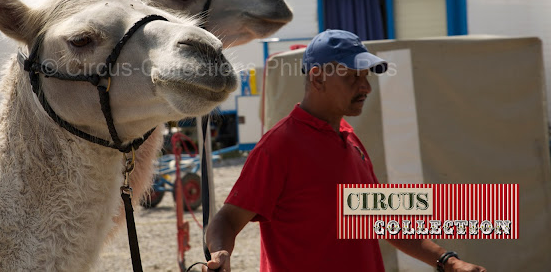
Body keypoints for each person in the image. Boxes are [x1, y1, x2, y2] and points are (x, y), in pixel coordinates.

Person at [203, 30, 487, 271]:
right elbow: (227, 219)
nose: (365, 87)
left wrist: (446, 260)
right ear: (317, 78)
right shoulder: (279, 146)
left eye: (365, 76)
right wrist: (220, 253)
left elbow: (384, 220)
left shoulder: (349, 138)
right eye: (353, 76)